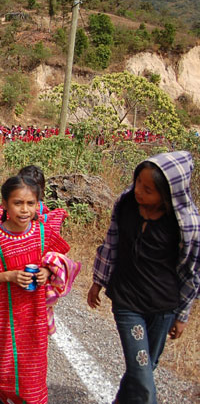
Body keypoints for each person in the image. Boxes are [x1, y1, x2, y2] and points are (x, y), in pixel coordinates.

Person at [87, 151, 200, 404]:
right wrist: (98, 281)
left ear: (168, 194)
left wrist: (182, 315)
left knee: (145, 369)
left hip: (163, 308)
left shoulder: (187, 225)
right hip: (127, 302)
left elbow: (192, 273)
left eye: (148, 189)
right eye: (138, 182)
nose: (139, 190)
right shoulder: (126, 205)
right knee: (143, 377)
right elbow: (112, 242)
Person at [0, 175, 70, 404]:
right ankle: (0, 389)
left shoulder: (42, 233)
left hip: (33, 315)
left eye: (30, 204)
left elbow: (59, 259)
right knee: (2, 361)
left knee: (33, 366)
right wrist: (9, 276)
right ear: (4, 204)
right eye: (17, 203)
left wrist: (48, 273)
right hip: (1, 315)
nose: (24, 210)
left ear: (37, 205)